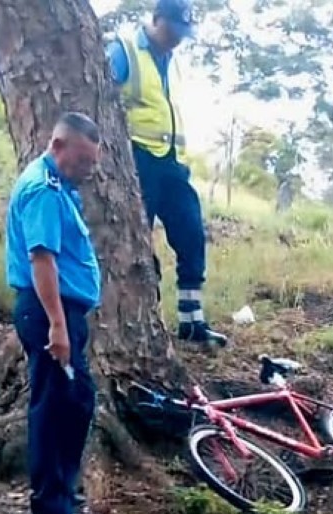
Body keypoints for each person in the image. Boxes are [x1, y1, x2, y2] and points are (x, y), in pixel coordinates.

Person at [105, 0, 227, 346]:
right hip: (137, 161)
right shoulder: (124, 51)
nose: (177, 39)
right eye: (172, 31)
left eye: (183, 34)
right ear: (156, 20)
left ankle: (192, 322)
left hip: (172, 162)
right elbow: (103, 98)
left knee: (191, 233)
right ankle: (144, 324)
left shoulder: (173, 63)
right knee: (138, 244)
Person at [6, 113, 104, 514]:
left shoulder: (60, 186)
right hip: (49, 313)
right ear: (58, 145)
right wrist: (58, 328)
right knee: (54, 408)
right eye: (82, 160)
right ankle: (51, 508)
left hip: (61, 312)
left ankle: (62, 489)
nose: (87, 170)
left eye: (92, 163)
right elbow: (41, 261)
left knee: (78, 400)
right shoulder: (44, 191)